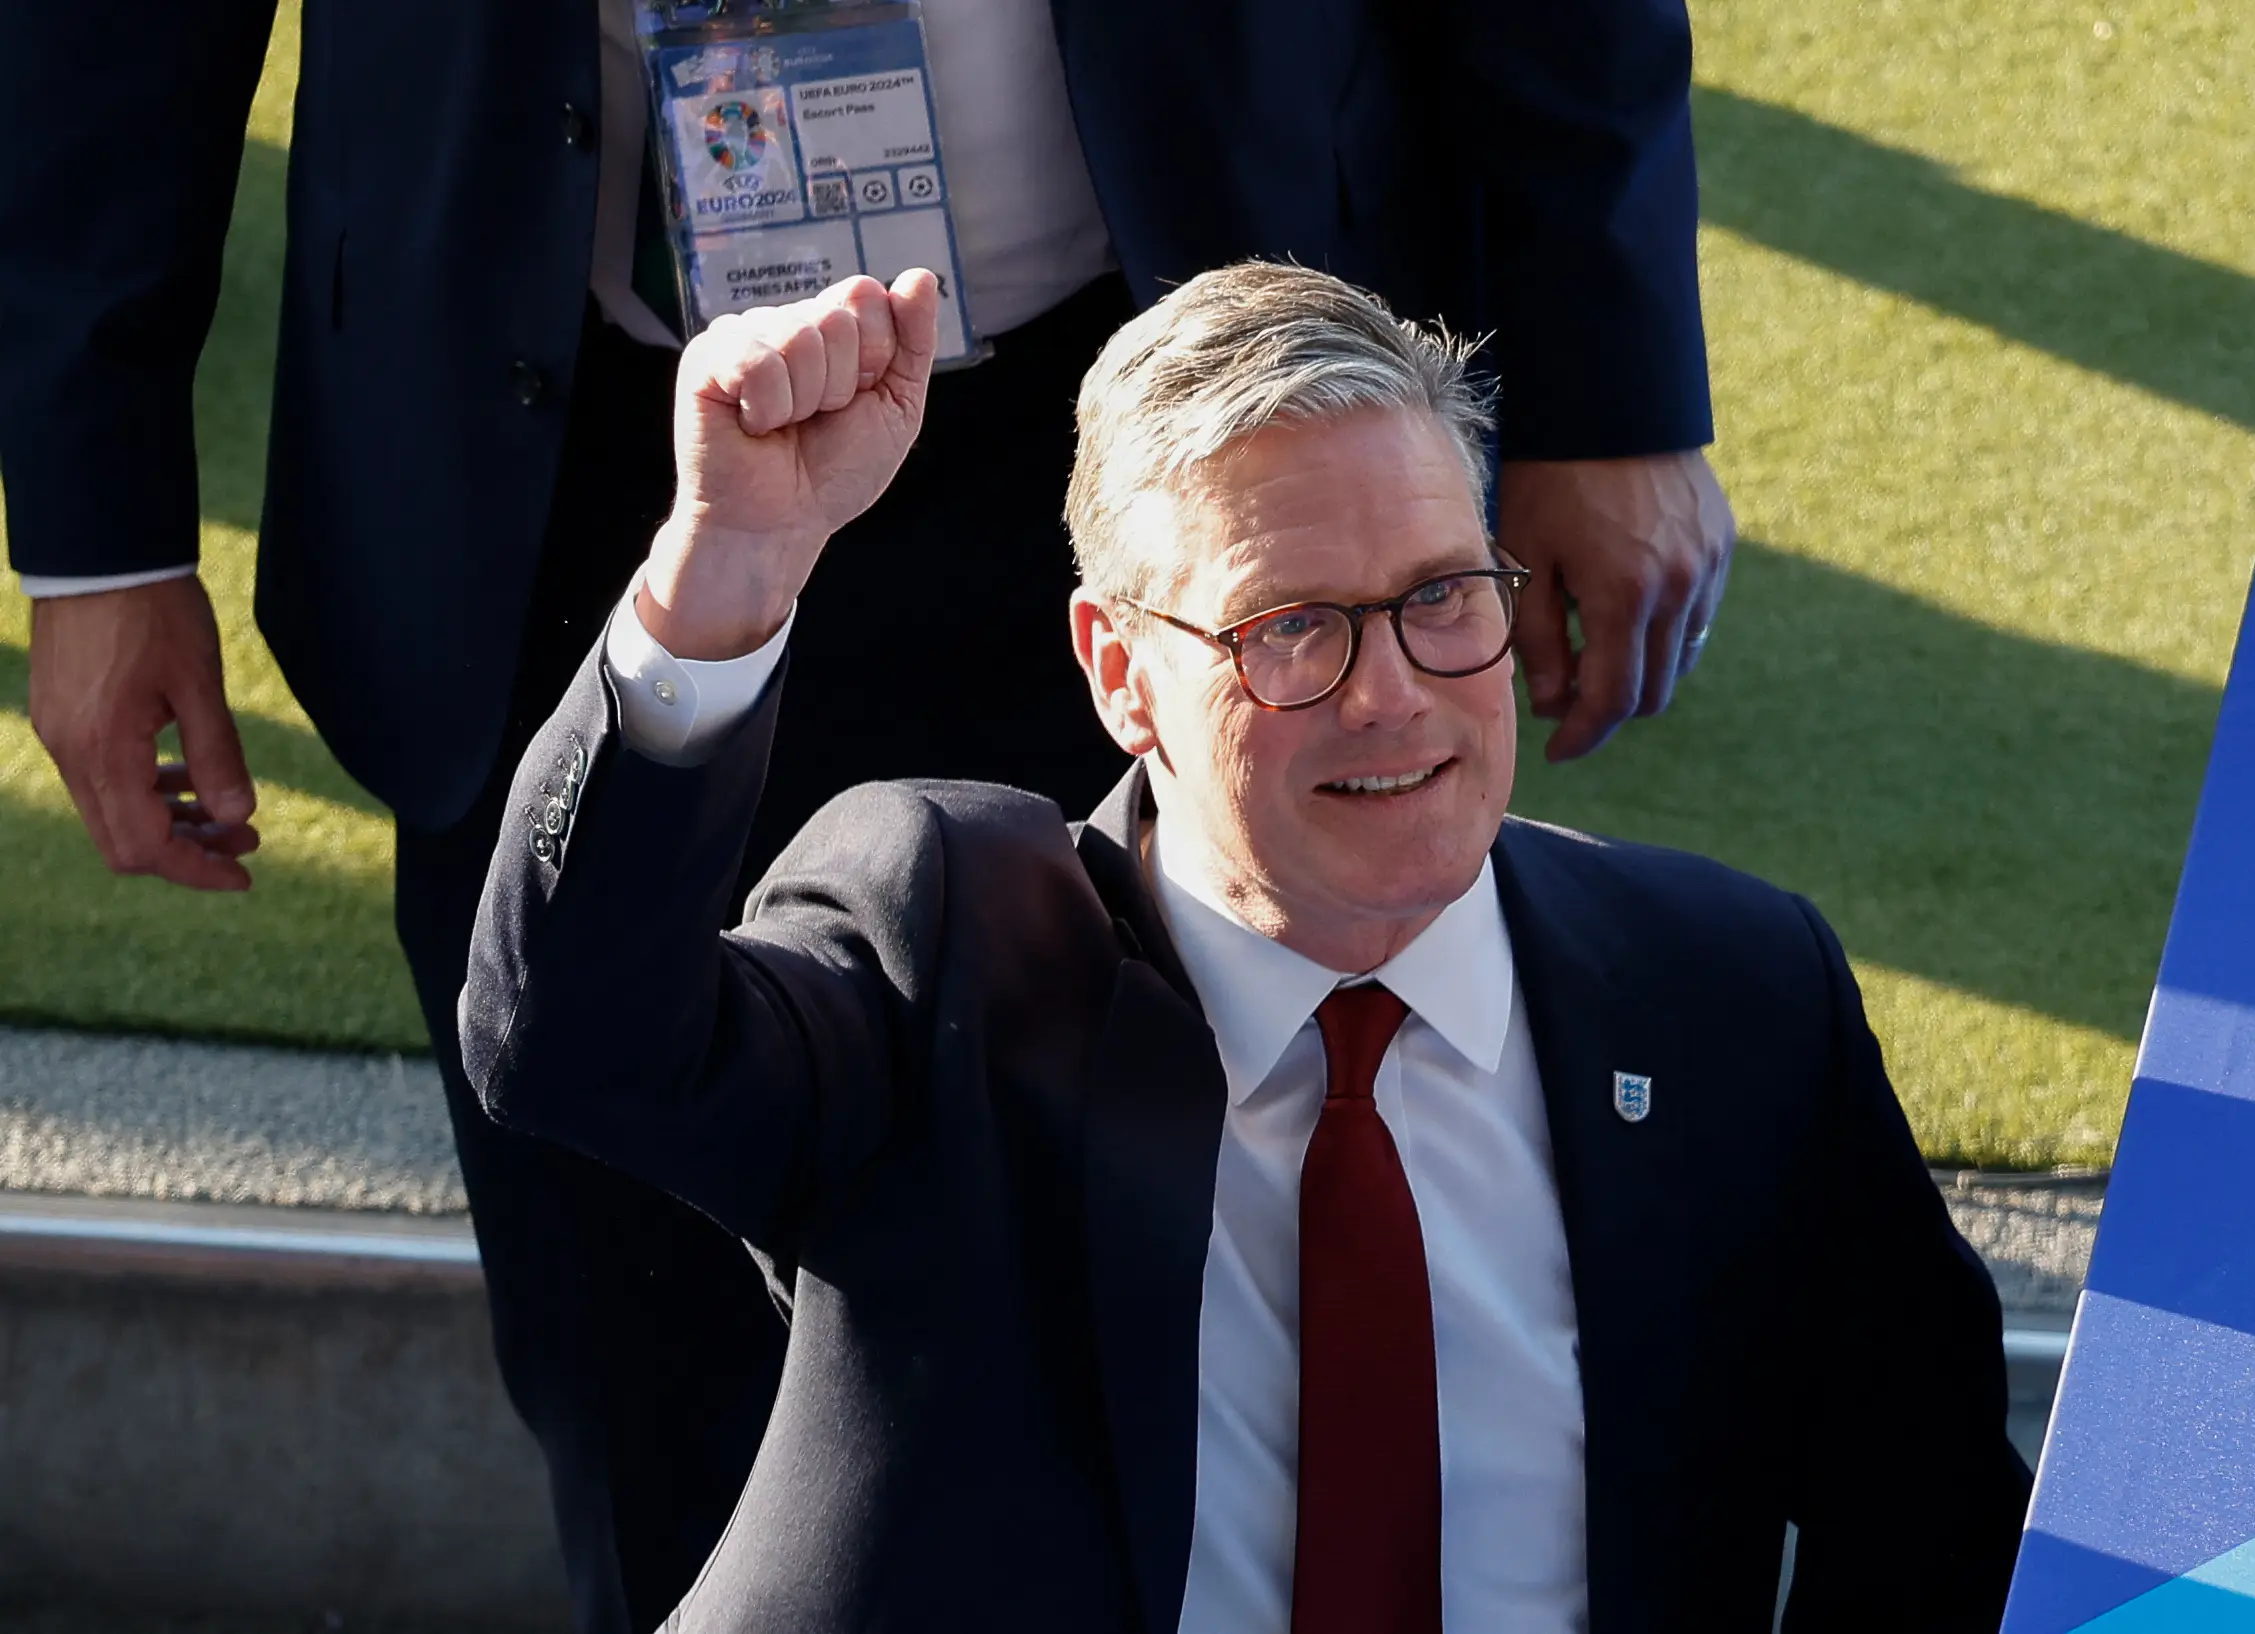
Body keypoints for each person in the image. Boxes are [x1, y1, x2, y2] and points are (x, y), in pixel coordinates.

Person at [1, 4, 1732, 1625]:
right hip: (547, 458)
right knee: (642, 1378)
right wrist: (96, 527)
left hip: (1156, 444)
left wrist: (1612, 372)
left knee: (1209, 1354)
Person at [462, 262, 2027, 1633]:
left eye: (1438, 598)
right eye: (1290, 626)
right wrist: (723, 565)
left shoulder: (1728, 1004)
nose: (1390, 691)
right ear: (1118, 673)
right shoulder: (947, 949)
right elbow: (572, 1043)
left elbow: (1940, 1528)